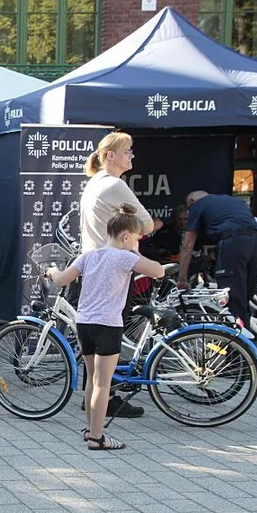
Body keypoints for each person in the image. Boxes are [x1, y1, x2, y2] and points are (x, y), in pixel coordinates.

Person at [47, 206, 165, 451]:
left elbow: (60, 280)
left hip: (84, 324)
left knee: (92, 378)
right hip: (108, 325)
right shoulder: (125, 257)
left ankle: (90, 429)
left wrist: (52, 271)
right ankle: (97, 438)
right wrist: (136, 254)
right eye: (135, 238)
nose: (136, 243)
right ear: (125, 236)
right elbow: (159, 271)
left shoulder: (89, 256)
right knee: (104, 383)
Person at [77, 131, 157, 420]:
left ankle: (96, 396)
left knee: (91, 332)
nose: (131, 155)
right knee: (109, 332)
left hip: (91, 264)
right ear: (110, 155)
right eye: (127, 151)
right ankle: (105, 400)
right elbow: (146, 224)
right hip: (114, 266)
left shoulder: (93, 184)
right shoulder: (113, 184)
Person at [178, 190, 257, 327]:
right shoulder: (233, 201)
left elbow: (188, 245)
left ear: (191, 202)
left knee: (230, 299)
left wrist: (182, 279)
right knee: (245, 298)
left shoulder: (197, 205)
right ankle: (246, 340)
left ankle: (233, 343)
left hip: (235, 243)